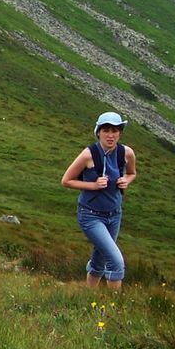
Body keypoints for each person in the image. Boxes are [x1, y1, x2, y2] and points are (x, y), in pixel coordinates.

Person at [60, 111, 137, 290]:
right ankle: (113, 309)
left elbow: (132, 173)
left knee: (100, 257)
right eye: (106, 130)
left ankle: (89, 296)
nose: (111, 135)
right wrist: (93, 185)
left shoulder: (126, 153)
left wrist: (126, 180)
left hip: (114, 214)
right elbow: (66, 181)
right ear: (98, 132)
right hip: (90, 215)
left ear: (120, 132)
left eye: (115, 131)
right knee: (116, 261)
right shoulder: (88, 155)